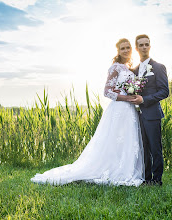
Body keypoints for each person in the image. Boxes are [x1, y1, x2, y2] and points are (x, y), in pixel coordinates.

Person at [31, 38, 145, 187]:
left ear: (131, 49)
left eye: (128, 48)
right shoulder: (115, 68)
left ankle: (125, 168)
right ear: (118, 51)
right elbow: (107, 92)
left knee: (126, 139)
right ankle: (111, 170)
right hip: (118, 109)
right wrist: (126, 97)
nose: (126, 50)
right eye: (122, 48)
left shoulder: (128, 68)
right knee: (114, 140)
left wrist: (134, 93)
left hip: (129, 110)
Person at [130, 34, 169, 186]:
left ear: (150, 47)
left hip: (152, 114)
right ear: (137, 48)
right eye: (141, 45)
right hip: (136, 115)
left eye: (147, 44)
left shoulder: (158, 67)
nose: (144, 47)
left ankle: (157, 179)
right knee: (143, 147)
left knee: (155, 147)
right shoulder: (133, 70)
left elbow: (164, 91)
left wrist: (144, 100)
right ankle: (146, 178)